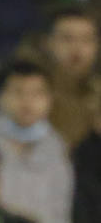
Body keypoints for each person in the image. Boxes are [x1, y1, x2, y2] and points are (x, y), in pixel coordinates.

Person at [0, 59, 73, 223]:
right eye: (18, 92)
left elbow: (61, 214)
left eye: (37, 94)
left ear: (50, 100)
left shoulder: (59, 149)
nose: (28, 102)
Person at [36, 8, 101, 151]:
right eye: (67, 39)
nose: (77, 49)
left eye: (87, 40)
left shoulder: (98, 94)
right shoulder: (32, 93)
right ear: (47, 43)